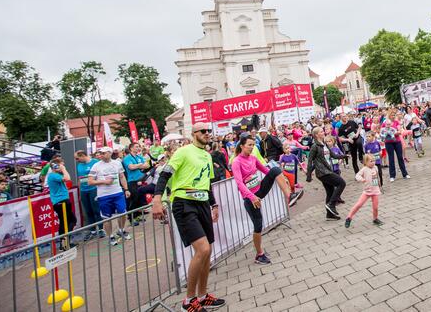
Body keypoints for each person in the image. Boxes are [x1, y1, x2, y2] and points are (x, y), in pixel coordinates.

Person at [151, 123, 226, 311]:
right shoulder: (184, 152)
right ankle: (188, 300)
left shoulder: (207, 156)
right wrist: (157, 200)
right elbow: (164, 176)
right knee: (202, 249)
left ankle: (202, 296)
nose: (207, 133)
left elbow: (206, 183)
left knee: (207, 251)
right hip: (183, 202)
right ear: (193, 134)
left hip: (201, 202)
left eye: (208, 131)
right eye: (203, 131)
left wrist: (213, 204)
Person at [232, 135, 300, 265]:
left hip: (260, 190)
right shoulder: (237, 161)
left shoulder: (253, 158)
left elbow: (265, 170)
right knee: (258, 226)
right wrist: (252, 197)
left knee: (275, 169)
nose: (252, 148)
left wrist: (281, 176)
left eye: (253, 145)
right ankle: (259, 254)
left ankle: (290, 196)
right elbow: (239, 184)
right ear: (241, 146)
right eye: (249, 145)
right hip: (250, 198)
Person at [88, 147, 132, 246]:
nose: (101, 155)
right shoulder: (96, 166)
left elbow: (122, 176)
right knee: (106, 218)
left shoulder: (117, 163)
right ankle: (110, 236)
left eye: (103, 153)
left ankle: (121, 230)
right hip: (104, 195)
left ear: (110, 153)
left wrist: (126, 189)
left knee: (123, 213)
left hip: (117, 192)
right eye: (100, 153)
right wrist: (104, 181)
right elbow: (90, 181)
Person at [306, 127, 346, 220]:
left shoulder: (324, 144)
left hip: (328, 170)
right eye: (321, 131)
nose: (323, 132)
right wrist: (308, 175)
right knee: (341, 183)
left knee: (330, 192)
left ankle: (330, 215)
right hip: (322, 172)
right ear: (316, 135)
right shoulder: (314, 146)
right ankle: (331, 204)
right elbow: (310, 161)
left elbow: (333, 155)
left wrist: (343, 156)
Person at [344, 154, 383, 228]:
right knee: (359, 204)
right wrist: (362, 179)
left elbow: (377, 177)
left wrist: (379, 185)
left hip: (375, 191)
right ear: (366, 162)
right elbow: (357, 175)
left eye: (374, 161)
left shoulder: (376, 167)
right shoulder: (364, 169)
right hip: (367, 191)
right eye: (371, 161)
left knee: (375, 207)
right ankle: (349, 217)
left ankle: (375, 219)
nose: (373, 162)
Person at [46, 157, 76, 249]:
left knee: (68, 221)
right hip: (60, 201)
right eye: (61, 165)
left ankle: (65, 243)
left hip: (61, 200)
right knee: (67, 222)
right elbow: (67, 178)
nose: (63, 166)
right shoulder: (53, 175)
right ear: (56, 166)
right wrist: (63, 169)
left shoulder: (55, 176)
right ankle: (64, 244)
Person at [74, 151, 104, 240]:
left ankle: (101, 229)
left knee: (96, 210)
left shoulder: (95, 162)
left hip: (94, 189)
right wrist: (80, 191)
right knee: (88, 211)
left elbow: (100, 175)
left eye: (77, 158)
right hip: (84, 190)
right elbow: (79, 179)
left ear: (82, 156)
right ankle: (93, 231)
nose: (76, 160)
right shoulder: (79, 165)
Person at [123, 143, 150, 225]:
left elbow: (147, 165)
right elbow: (131, 167)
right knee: (133, 199)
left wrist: (138, 166)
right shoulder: (127, 158)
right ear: (131, 148)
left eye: (139, 147)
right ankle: (131, 218)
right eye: (136, 147)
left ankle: (138, 216)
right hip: (132, 181)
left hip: (141, 180)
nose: (138, 148)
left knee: (140, 198)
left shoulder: (139, 156)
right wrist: (141, 165)